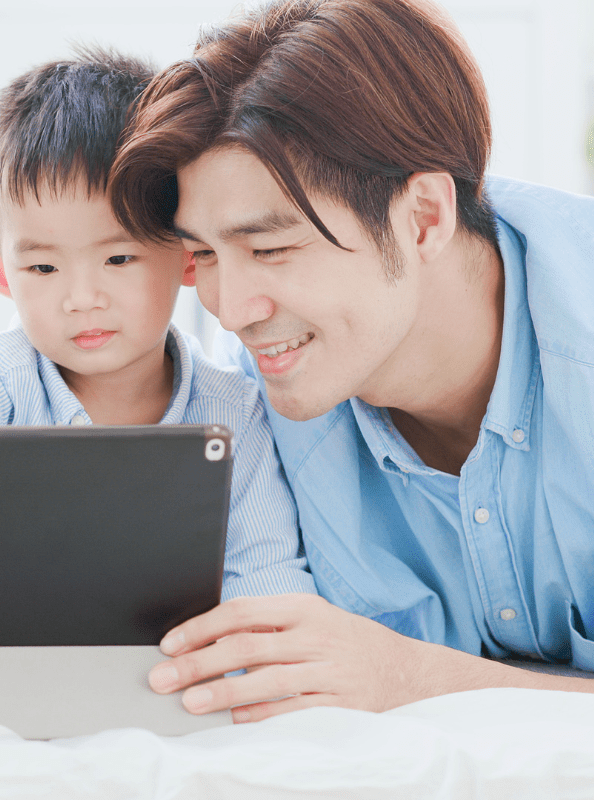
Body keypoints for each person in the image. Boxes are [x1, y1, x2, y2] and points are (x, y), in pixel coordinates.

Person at [108, 0, 594, 723]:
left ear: (423, 217)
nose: (230, 308)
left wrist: (410, 678)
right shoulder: (244, 418)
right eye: (203, 255)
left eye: (270, 249)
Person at [0, 48, 315, 602]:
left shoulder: (233, 413)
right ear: (1, 273)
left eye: (119, 260)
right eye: (43, 267)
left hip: (184, 674)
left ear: (188, 257)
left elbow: (266, 579)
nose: (82, 299)